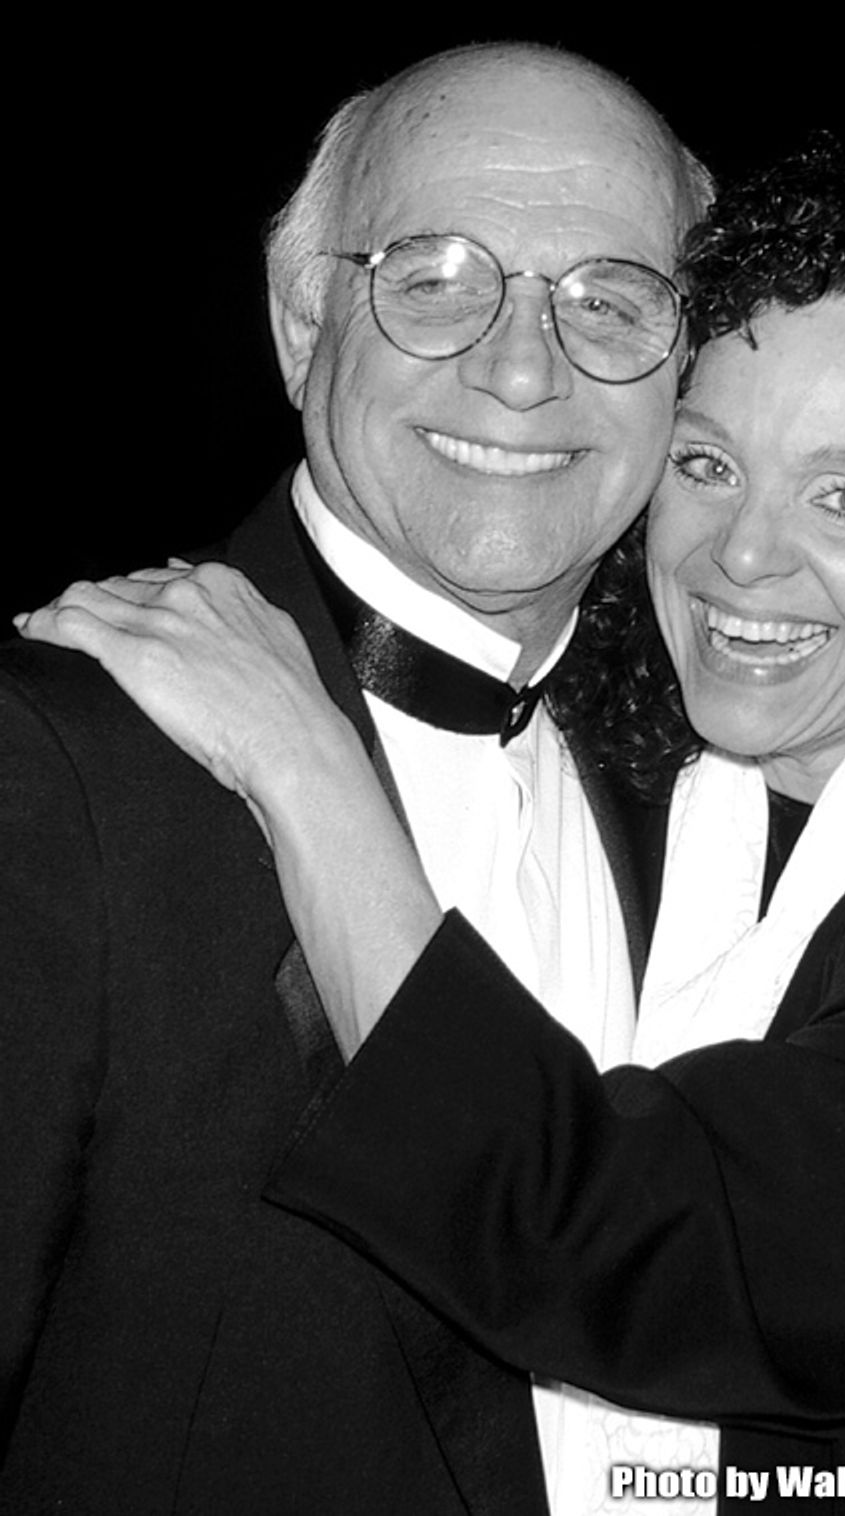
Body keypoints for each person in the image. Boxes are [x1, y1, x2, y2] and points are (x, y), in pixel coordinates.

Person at [19, 138, 845, 1510]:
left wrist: (305, 756)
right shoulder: (650, 771)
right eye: (707, 464)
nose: (741, 554)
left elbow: (622, 1245)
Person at [0, 42, 713, 1515]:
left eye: (612, 299)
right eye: (435, 276)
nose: (524, 369)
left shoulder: (706, 783)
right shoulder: (54, 766)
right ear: (303, 316)